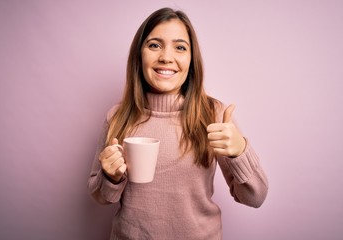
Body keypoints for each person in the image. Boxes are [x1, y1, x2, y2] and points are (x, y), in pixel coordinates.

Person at [88, 7, 268, 240]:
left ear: (191, 60)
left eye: (180, 47)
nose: (166, 57)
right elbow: (100, 197)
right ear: (139, 55)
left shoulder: (213, 114)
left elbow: (255, 197)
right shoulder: (118, 116)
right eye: (154, 45)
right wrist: (110, 177)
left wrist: (240, 151)